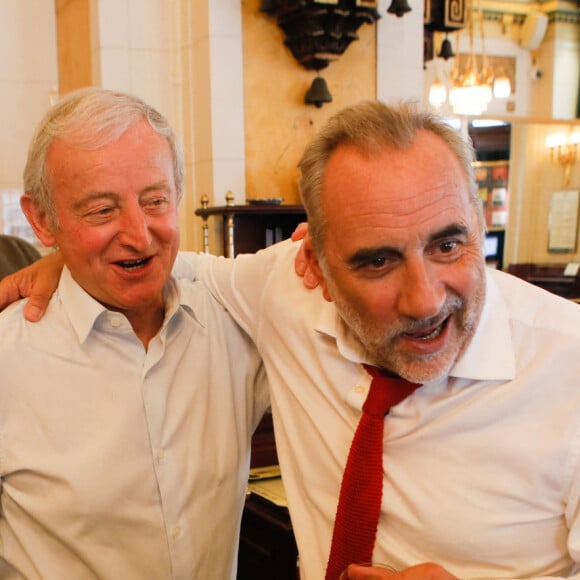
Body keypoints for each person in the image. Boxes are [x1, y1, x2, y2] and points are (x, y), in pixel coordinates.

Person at [4, 100, 580, 579]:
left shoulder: (567, 366)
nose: (424, 299)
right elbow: (147, 259)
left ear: (481, 224)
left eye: (448, 244)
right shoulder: (281, 292)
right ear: (316, 260)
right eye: (376, 260)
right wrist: (68, 258)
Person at [0, 87, 269, 579]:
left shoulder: (235, 321)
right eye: (101, 211)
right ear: (42, 219)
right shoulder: (8, 360)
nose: (139, 234)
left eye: (156, 201)